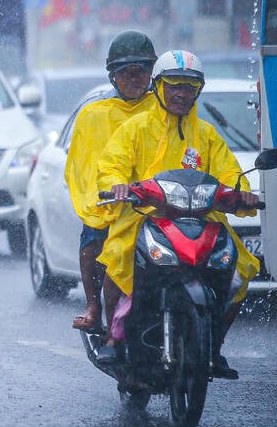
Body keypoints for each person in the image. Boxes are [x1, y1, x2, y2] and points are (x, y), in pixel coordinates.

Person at [95, 50, 260, 379]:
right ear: (158, 87)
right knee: (117, 256)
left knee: (241, 270)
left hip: (202, 220)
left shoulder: (208, 135)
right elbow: (111, 165)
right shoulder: (135, 128)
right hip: (144, 217)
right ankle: (113, 338)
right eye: (174, 86)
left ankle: (213, 347)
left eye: (189, 87)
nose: (182, 94)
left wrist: (242, 194)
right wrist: (117, 186)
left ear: (197, 90)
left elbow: (231, 176)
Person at [64, 30, 157, 332]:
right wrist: (104, 193)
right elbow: (84, 165)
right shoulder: (94, 115)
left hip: (157, 202)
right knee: (92, 241)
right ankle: (93, 305)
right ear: (112, 76)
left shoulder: (165, 111)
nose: (133, 79)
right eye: (124, 73)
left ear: (151, 73)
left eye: (139, 72)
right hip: (113, 204)